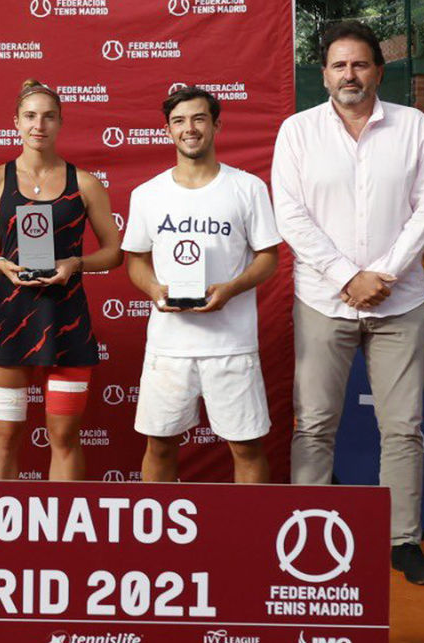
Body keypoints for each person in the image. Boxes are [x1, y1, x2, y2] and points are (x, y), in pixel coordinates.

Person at [272, 21, 424, 585]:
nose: (350, 75)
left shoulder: (412, 125)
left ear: (378, 70)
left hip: (399, 301)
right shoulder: (297, 132)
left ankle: (403, 542)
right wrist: (348, 276)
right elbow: (291, 215)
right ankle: (306, 533)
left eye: (361, 64)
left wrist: (384, 274)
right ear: (323, 74)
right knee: (315, 423)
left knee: (403, 426)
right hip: (323, 300)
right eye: (339, 65)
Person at [122, 86, 281, 485]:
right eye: (179, 121)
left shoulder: (247, 188)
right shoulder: (147, 195)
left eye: (198, 119)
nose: (189, 129)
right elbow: (136, 260)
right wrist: (156, 291)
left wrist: (229, 288)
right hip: (168, 347)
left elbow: (268, 258)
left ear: (216, 125)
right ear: (167, 130)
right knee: (159, 445)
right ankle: (155, 540)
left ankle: (250, 538)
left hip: (231, 346)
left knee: (246, 448)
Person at [0, 80, 122, 480]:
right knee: (3, 435)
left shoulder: (85, 183)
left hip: (66, 318)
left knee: (65, 437)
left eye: (49, 116)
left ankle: (63, 539)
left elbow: (114, 251)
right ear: (15, 122)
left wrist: (76, 263)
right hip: (9, 317)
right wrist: (1, 262)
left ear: (60, 122)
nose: (39, 125)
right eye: (31, 116)